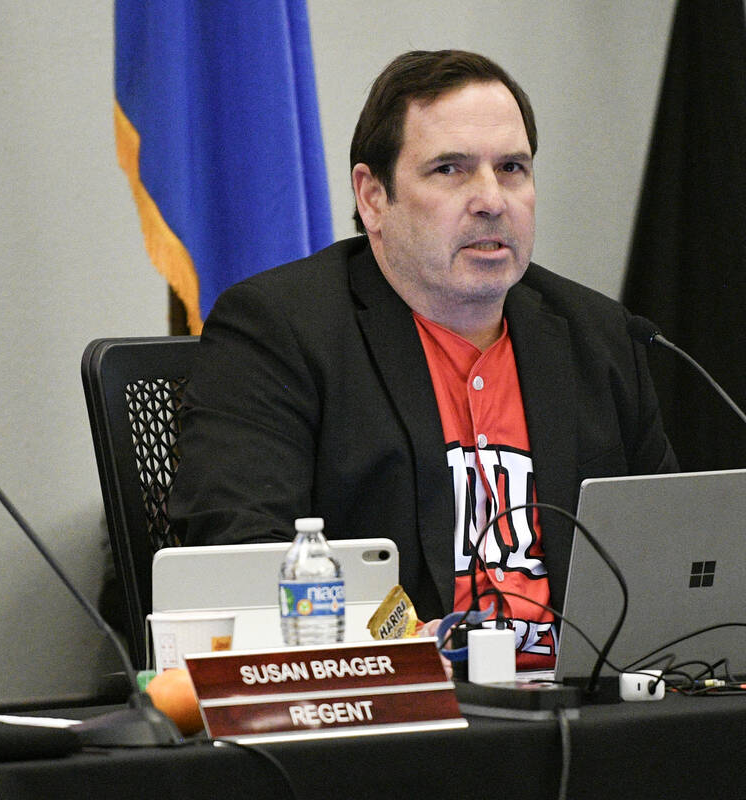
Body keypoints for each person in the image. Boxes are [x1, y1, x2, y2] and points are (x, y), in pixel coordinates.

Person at [169, 50, 677, 669]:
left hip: (587, 699)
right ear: (373, 197)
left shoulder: (600, 335)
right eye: (450, 169)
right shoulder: (280, 330)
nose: (491, 199)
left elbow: (667, 550)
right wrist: (399, 642)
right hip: (403, 702)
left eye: (512, 168)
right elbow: (244, 552)